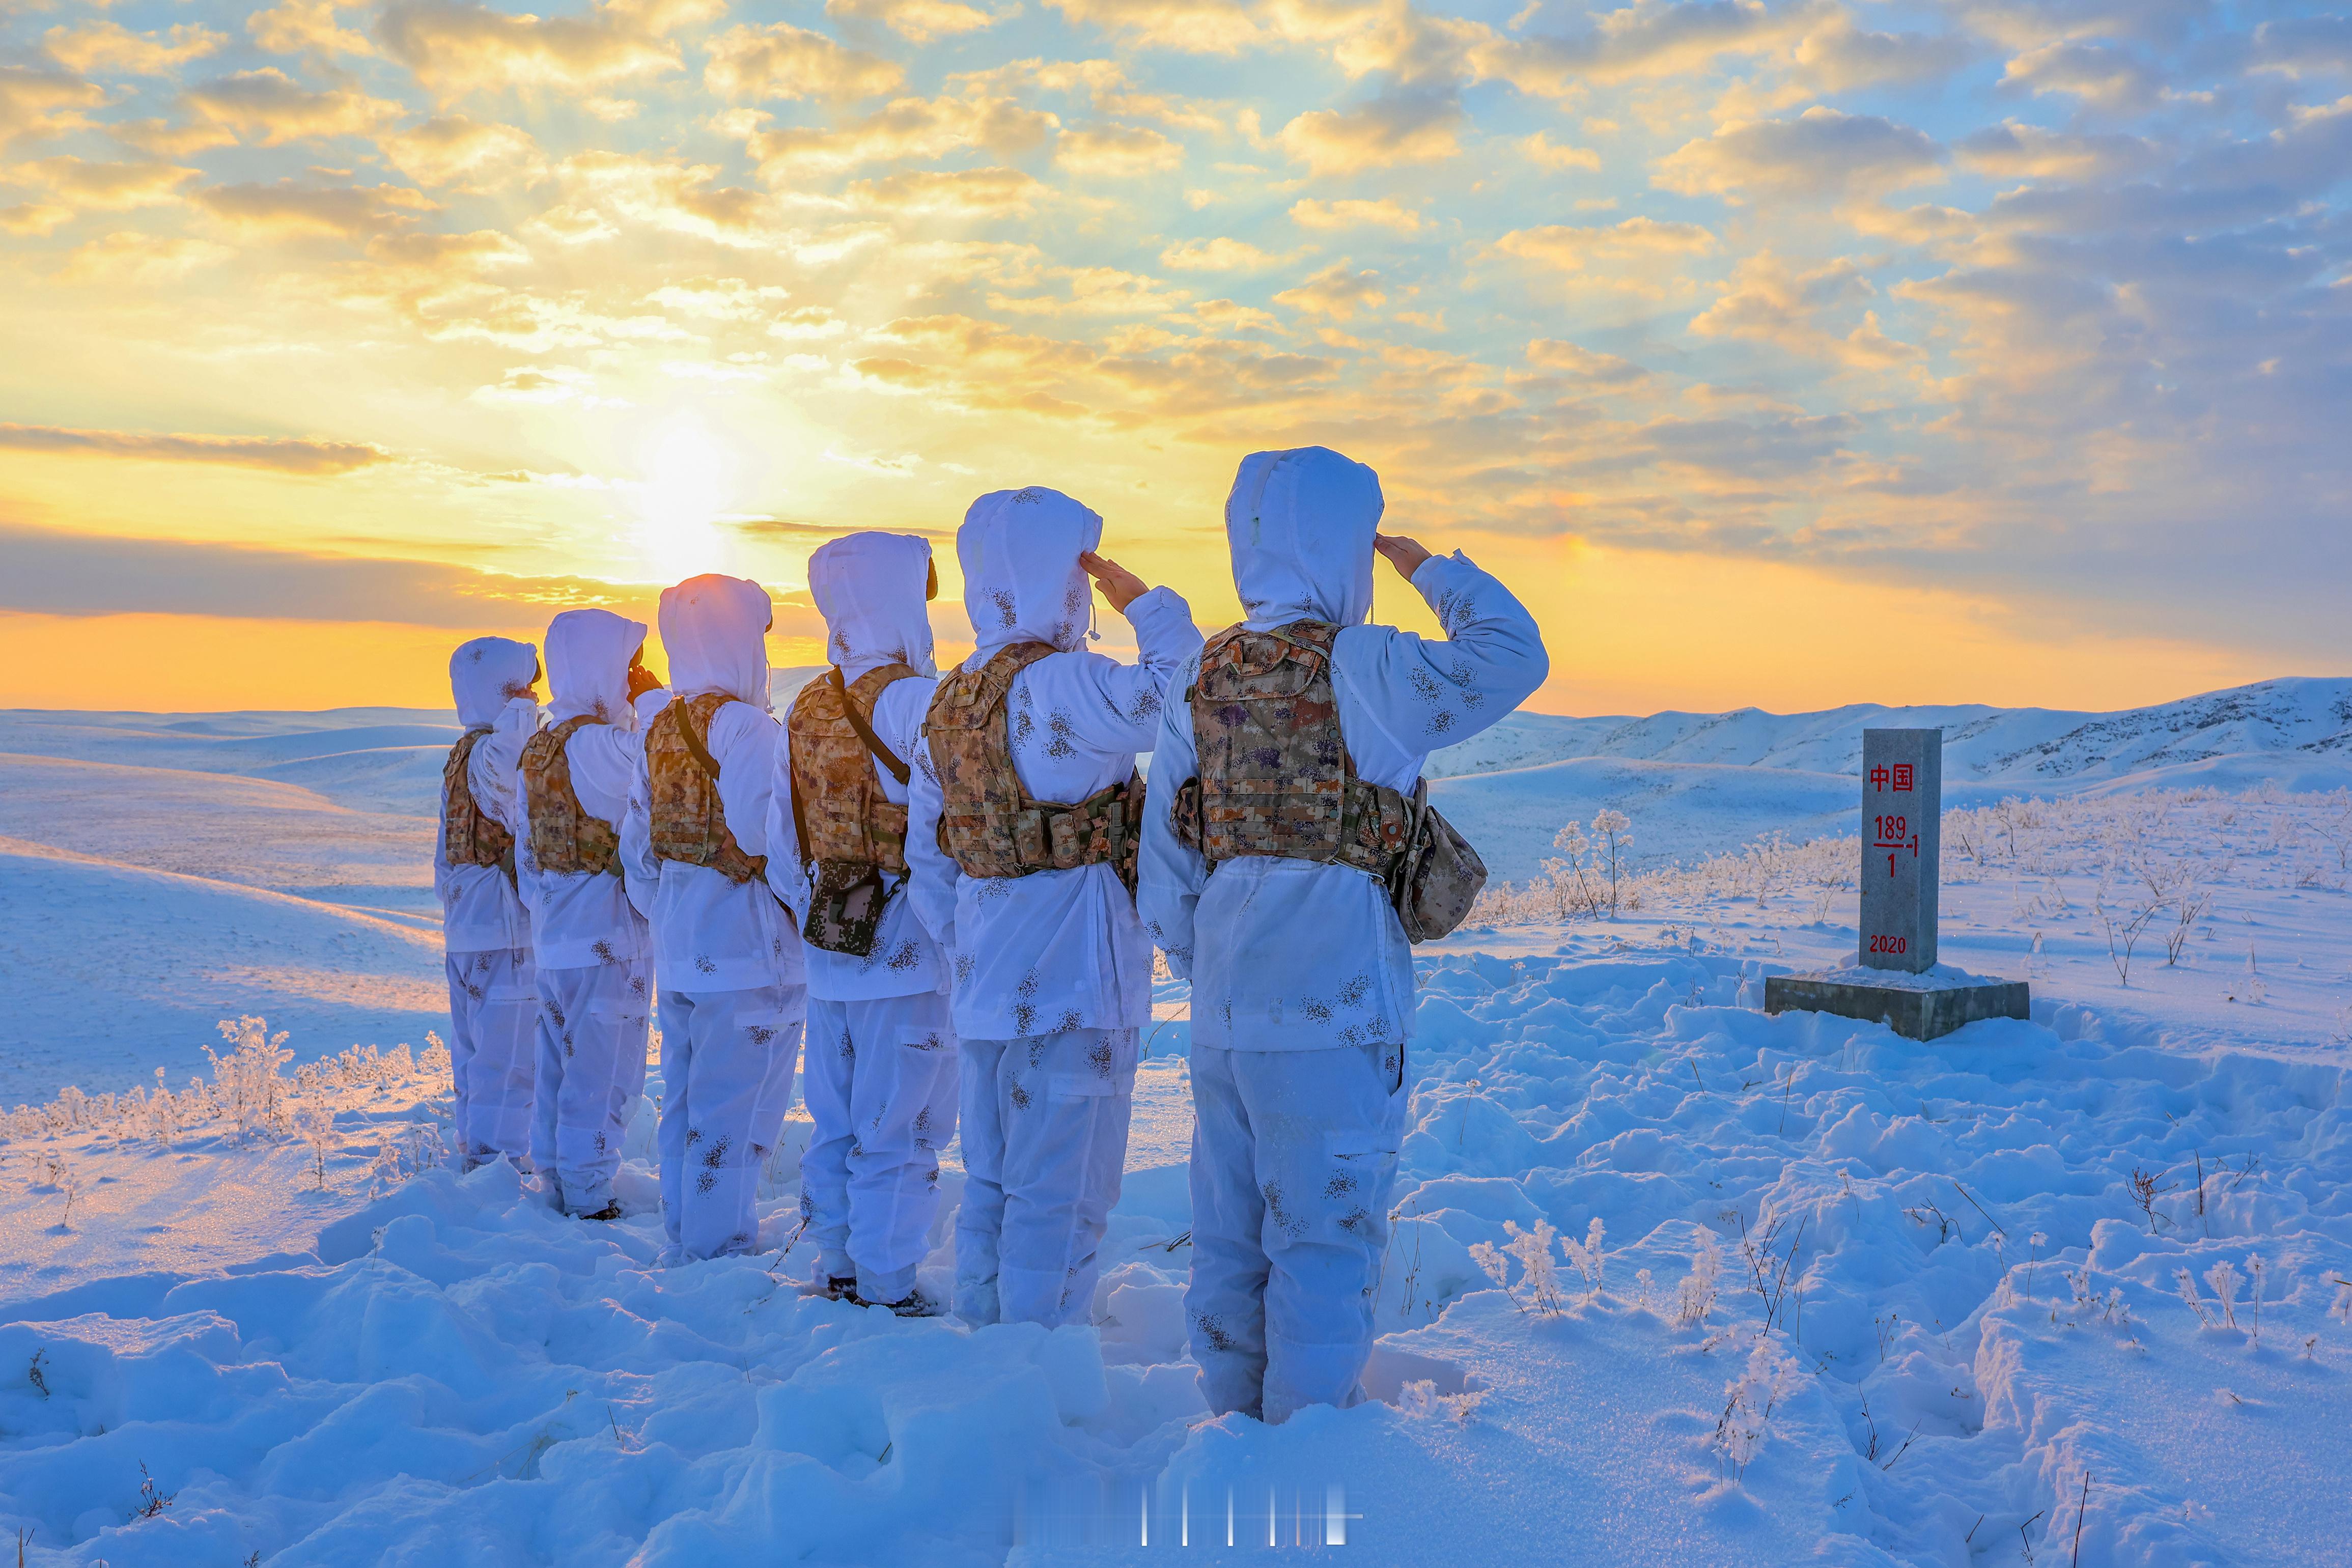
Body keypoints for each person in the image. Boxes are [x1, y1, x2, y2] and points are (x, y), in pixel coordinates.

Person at [1137, 446, 1549, 1423]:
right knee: (1323, 1237)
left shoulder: (1201, 672)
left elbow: (1166, 857)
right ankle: (1308, 1440)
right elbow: (1512, 655)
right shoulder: (1370, 668)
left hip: (1224, 1011)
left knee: (1229, 1234)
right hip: (1336, 1006)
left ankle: (1231, 1424)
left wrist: (1207, 970)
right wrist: (1426, 566)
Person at [907, 487, 1202, 1328]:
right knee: (1063, 1195)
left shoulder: (947, 700)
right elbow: (1189, 698)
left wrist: (971, 940)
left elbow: (928, 854)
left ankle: (981, 1338)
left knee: (994, 1182)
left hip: (986, 986)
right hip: (1076, 980)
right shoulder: (1065, 683)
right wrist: (1147, 605)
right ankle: (1032, 1362)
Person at [765, 532, 956, 1313]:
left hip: (829, 939)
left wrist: (818, 904)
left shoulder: (806, 704)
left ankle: (838, 1263)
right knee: (900, 1127)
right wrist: (949, 932)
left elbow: (782, 837)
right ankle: (887, 1284)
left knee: (838, 1121)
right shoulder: (917, 701)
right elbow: (939, 836)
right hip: (906, 943)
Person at [620, 575, 806, 1262]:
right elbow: (767, 838)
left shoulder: (659, 726)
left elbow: (636, 848)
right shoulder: (748, 727)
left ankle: (685, 1227)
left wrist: (674, 911)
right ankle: (716, 1245)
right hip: (746, 947)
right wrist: (800, 910)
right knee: (736, 1105)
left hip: (679, 942)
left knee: (687, 1097)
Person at [515, 608, 664, 1220]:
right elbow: (665, 757)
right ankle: (588, 1193)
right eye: (625, 665)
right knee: (603, 1071)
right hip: (607, 934)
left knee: (557, 1063)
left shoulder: (540, 746)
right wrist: (654, 700)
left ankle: (555, 1174)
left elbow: (525, 849)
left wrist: (551, 904)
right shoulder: (598, 745)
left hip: (556, 931)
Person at [436, 636, 542, 1173]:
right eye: (521, 684)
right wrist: (521, 712)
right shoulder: (489, 754)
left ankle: (474, 1152)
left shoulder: (459, 755)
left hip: (466, 925)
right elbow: (508, 784)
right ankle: (496, 1170)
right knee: (508, 1057)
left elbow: (443, 858)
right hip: (504, 930)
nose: (533, 694)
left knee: (475, 1052)